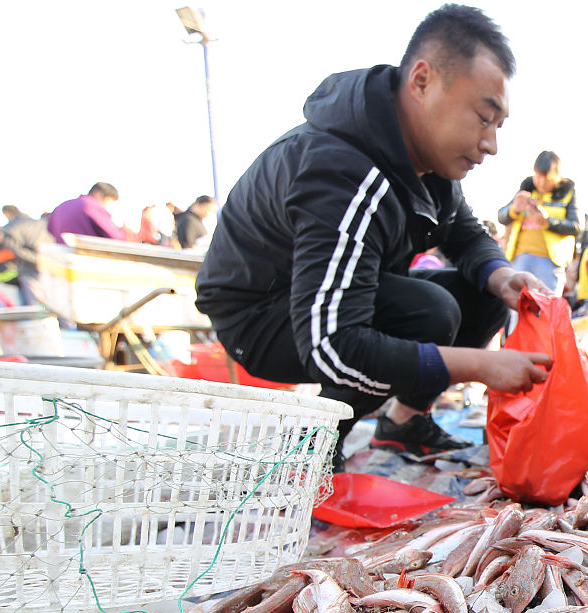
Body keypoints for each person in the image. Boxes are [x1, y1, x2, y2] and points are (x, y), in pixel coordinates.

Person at [194, 4, 552, 471]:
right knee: (430, 313)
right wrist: (480, 367)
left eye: (498, 126)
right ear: (422, 82)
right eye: (483, 118)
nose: (491, 145)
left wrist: (503, 275)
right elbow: (334, 343)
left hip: (325, 305)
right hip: (260, 314)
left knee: (483, 294)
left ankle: (402, 424)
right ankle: (312, 450)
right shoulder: (343, 171)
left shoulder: (428, 165)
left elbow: (463, 231)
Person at [497, 151, 582, 295]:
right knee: (518, 305)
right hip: (520, 257)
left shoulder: (568, 193)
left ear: (557, 176)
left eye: (547, 178)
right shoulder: (527, 189)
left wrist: (548, 221)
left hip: (551, 260)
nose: (541, 182)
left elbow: (577, 226)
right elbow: (501, 216)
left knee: (547, 306)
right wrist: (514, 209)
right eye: (538, 176)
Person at [0, 205, 53, 306]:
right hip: (49, 265)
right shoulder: (39, 223)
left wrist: (36, 260)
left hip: (30, 269)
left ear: (6, 214)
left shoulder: (11, 227)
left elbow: (14, 250)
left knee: (35, 305)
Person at [46, 182, 131, 242]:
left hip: (59, 257)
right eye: (108, 202)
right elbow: (115, 237)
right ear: (99, 194)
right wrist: (124, 231)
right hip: (82, 261)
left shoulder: (62, 206)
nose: (106, 207)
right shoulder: (91, 206)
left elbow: (50, 229)